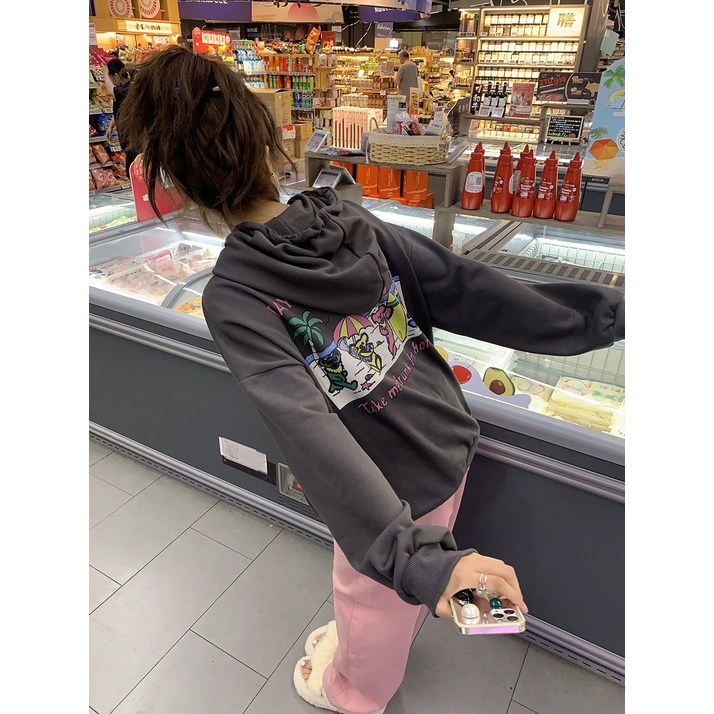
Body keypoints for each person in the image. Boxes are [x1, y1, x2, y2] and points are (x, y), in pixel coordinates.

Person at [118, 47, 625, 714]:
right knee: (418, 576)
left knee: (370, 604)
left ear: (178, 183)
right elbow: (467, 288)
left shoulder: (236, 296)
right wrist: (606, 315)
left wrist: (418, 563)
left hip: (388, 489)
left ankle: (353, 689)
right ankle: (423, 601)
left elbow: (310, 436)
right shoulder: (346, 218)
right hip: (447, 430)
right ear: (268, 142)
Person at [103, 58, 138, 177]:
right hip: (130, 138)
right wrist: (111, 125)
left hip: (133, 138)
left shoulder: (126, 89)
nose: (111, 80)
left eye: (111, 77)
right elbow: (120, 108)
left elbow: (110, 91)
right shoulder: (127, 87)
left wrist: (105, 73)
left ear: (116, 75)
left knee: (133, 171)